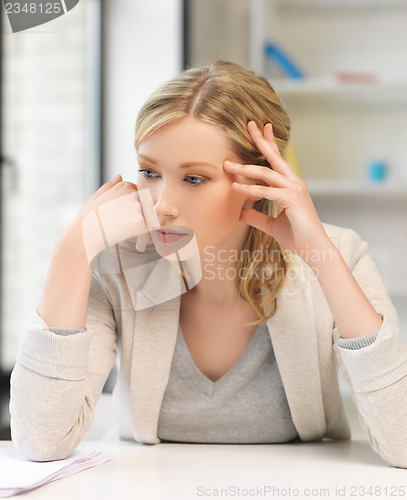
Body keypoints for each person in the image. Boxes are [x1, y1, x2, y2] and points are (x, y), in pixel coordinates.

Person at [9, 60, 407, 468]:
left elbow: (403, 443)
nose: (162, 205)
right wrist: (71, 251)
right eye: (149, 171)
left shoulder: (338, 255)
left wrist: (323, 260)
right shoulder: (118, 263)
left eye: (194, 179)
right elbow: (41, 441)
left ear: (259, 181)